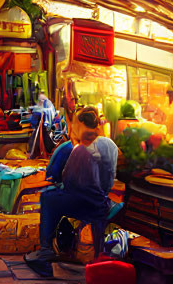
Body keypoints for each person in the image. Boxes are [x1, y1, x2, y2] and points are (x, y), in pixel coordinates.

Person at [24, 108, 120, 272]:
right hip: (103, 203)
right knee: (56, 197)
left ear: (82, 125)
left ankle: (45, 251)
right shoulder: (111, 145)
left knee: (48, 198)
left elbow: (69, 181)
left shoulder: (81, 147)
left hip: (87, 205)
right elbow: (110, 178)